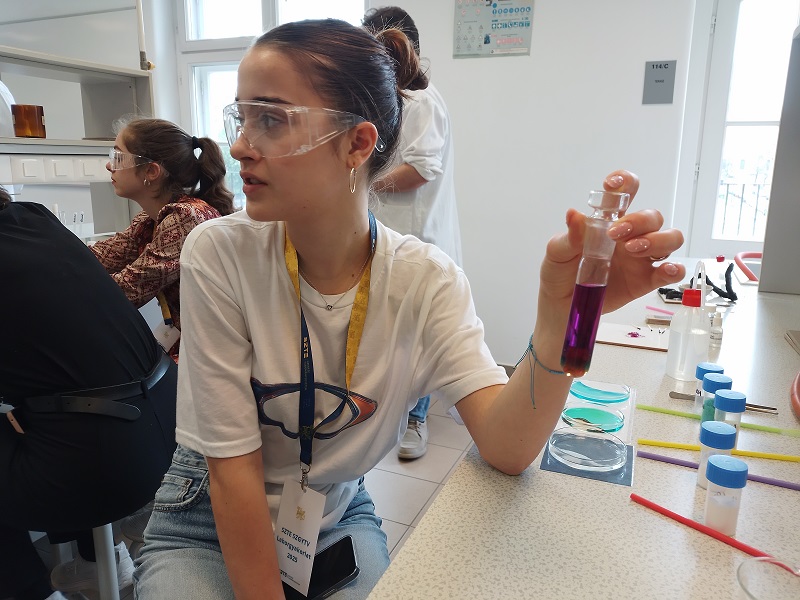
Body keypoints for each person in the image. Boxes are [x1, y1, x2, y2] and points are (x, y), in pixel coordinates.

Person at [134, 19, 685, 600]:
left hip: (330, 512)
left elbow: (507, 448)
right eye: (242, 118)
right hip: (206, 512)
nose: (241, 145)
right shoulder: (220, 251)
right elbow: (233, 473)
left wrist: (563, 321)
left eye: (271, 119)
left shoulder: (426, 281)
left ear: (357, 143)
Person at [0, 189, 178, 600]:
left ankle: (32, 590)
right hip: (167, 432)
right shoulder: (36, 218)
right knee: (50, 406)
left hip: (104, 467)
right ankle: (96, 558)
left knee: (44, 416)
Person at [363, 6, 462, 460]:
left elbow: (420, 170)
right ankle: (391, 415)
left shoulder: (419, 100)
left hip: (417, 235)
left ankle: (416, 419)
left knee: (415, 332)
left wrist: (362, 184)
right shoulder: (391, 100)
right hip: (392, 234)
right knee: (395, 331)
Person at [89, 117, 235, 360]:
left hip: (220, 354)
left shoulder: (186, 217)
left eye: (118, 157)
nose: (109, 165)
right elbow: (102, 256)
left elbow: (128, 289)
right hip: (194, 347)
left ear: (151, 171)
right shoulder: (150, 220)